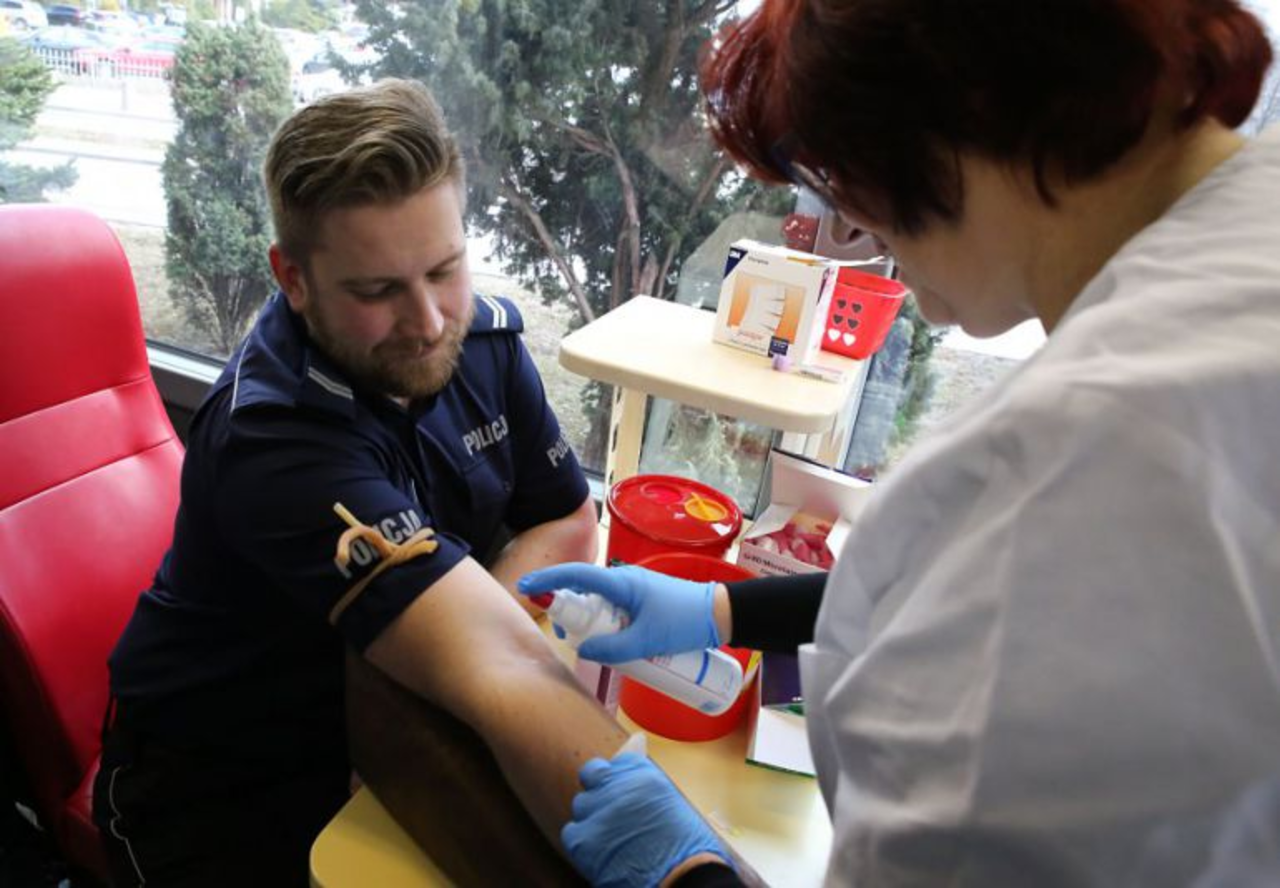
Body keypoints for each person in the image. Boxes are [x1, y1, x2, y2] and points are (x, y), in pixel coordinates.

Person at [519, 1, 1280, 885]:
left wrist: (690, 873)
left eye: (854, 197)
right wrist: (723, 611)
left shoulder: (1083, 463)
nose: (870, 246)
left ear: (962, 106)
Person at [92, 79, 632, 886]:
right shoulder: (273, 439)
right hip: (217, 791)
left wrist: (460, 643)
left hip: (382, 744)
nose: (428, 323)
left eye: (444, 269)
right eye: (377, 291)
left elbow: (565, 518)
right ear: (294, 278)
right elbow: (504, 664)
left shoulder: (480, 343)